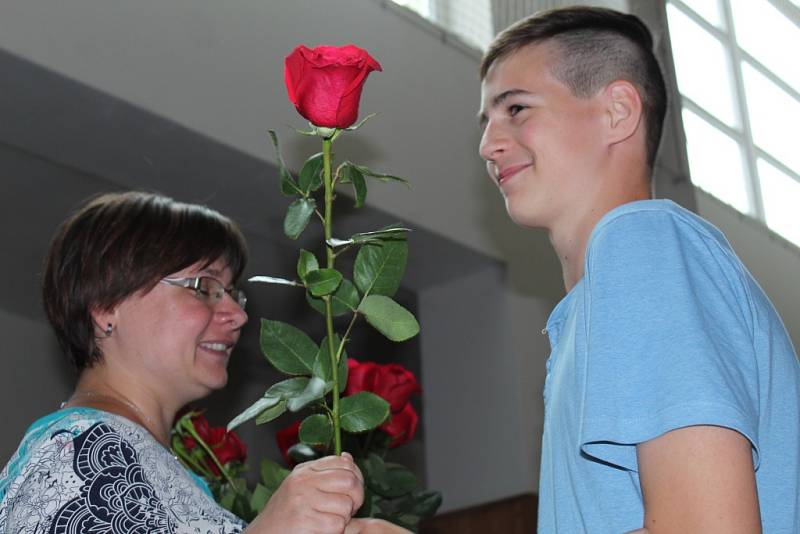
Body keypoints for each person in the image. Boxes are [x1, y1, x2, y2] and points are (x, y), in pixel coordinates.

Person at [478, 7, 799, 533]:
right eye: (486, 121)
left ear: (618, 112)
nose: (488, 144)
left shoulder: (641, 244)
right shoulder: (601, 296)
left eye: (516, 108)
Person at [0, 191, 403, 533]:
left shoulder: (153, 466)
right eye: (203, 287)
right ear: (106, 306)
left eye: (231, 292)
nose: (239, 315)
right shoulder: (80, 453)